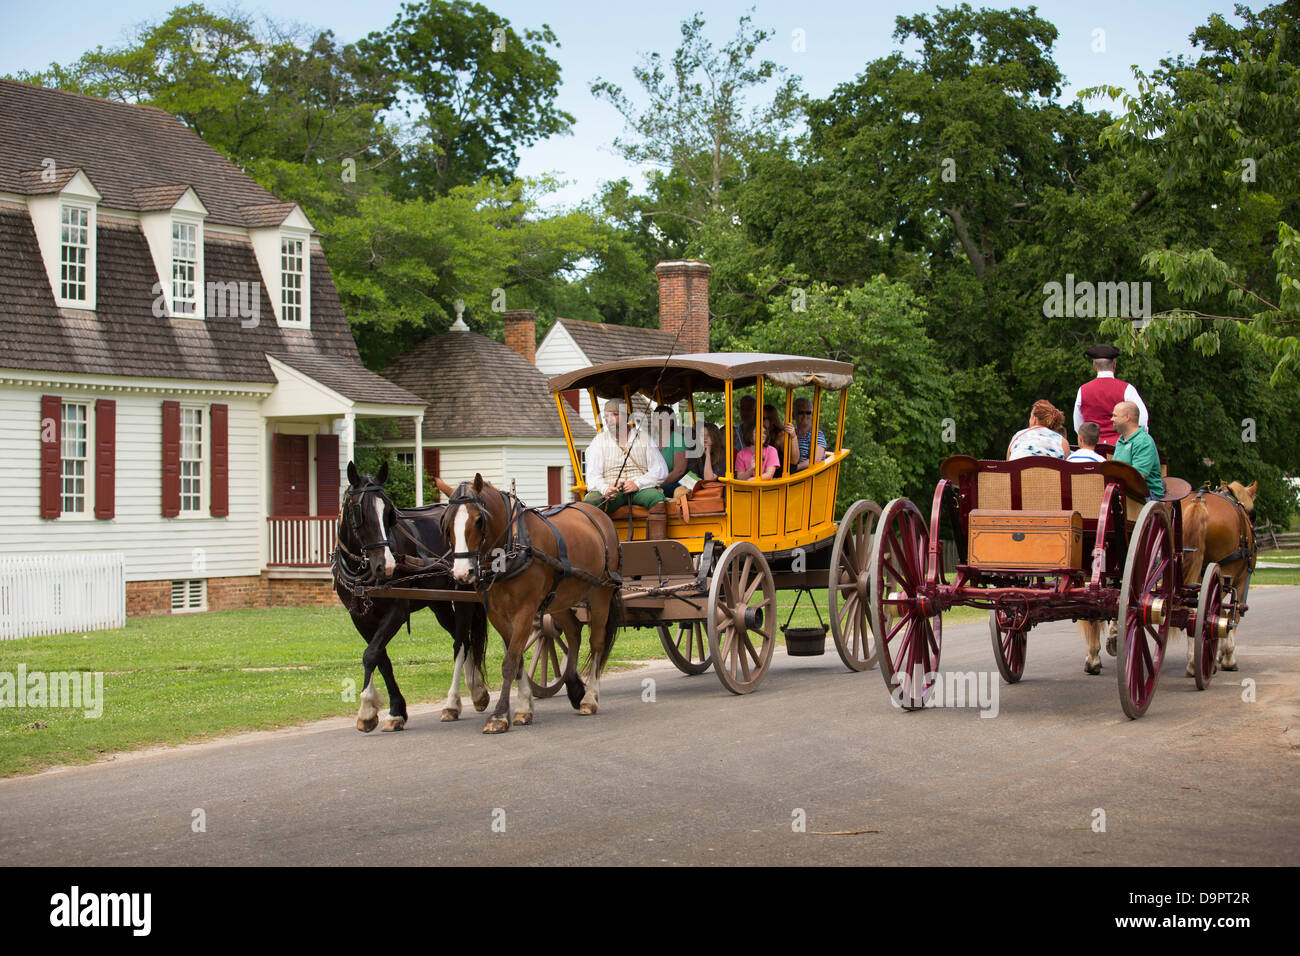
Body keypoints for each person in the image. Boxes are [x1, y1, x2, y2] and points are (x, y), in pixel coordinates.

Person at [583, 399, 668, 534]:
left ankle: (656, 546)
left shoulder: (644, 438)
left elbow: (660, 471)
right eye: (606, 416)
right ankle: (598, 547)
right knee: (589, 504)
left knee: (657, 500)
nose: (609, 420)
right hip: (612, 491)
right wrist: (605, 489)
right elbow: (593, 477)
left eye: (614, 415)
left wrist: (637, 483)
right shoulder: (598, 442)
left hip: (640, 489)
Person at [1073, 344, 1149, 445]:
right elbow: (1142, 420)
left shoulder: (1082, 390)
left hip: (1093, 447)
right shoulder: (1127, 389)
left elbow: (1078, 425)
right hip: (1119, 448)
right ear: (1114, 365)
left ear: (1094, 366)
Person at [1112, 401, 1164, 500]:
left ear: (1127, 417)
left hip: (1146, 495)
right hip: (1125, 491)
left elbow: (1137, 477)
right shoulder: (1121, 440)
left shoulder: (1144, 441)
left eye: (1115, 416)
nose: (1111, 419)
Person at [1006, 400, 1071, 460]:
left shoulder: (1017, 437)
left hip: (1019, 472)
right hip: (1050, 472)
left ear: (1035, 419)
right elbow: (1067, 469)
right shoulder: (1062, 442)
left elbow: (1008, 465)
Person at [652, 405, 690, 497]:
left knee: (654, 494)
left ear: (672, 421)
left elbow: (679, 471)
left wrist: (657, 485)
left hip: (675, 484)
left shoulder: (678, 439)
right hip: (652, 483)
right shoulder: (651, 440)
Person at [781, 397, 827, 472]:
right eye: (801, 412)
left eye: (808, 412)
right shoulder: (792, 432)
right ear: (793, 415)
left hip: (810, 476)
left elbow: (816, 459)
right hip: (793, 475)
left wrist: (795, 468)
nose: (805, 416)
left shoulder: (816, 434)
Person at [762, 404, 787, 477]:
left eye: (763, 418)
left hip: (779, 479)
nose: (759, 421)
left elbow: (792, 462)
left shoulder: (781, 436)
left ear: (772, 419)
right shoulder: (757, 434)